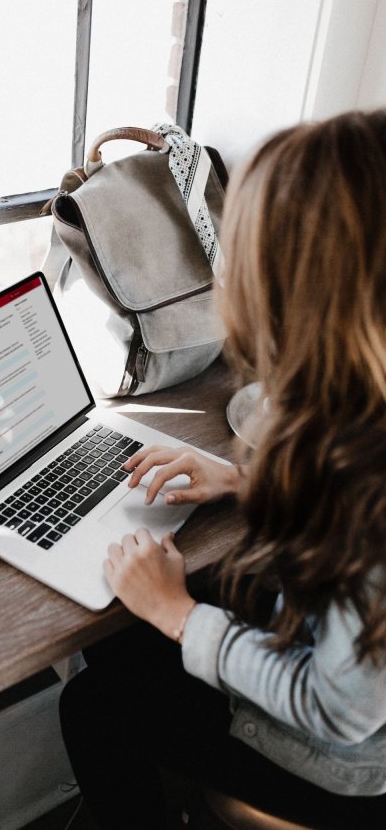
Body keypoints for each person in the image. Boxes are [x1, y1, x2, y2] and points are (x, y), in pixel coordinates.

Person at [59, 109, 386, 830]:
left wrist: (178, 614)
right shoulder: (358, 419)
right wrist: (244, 478)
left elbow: (339, 712)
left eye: (240, 252)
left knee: (94, 705)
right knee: (122, 648)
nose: (224, 273)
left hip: (351, 771)